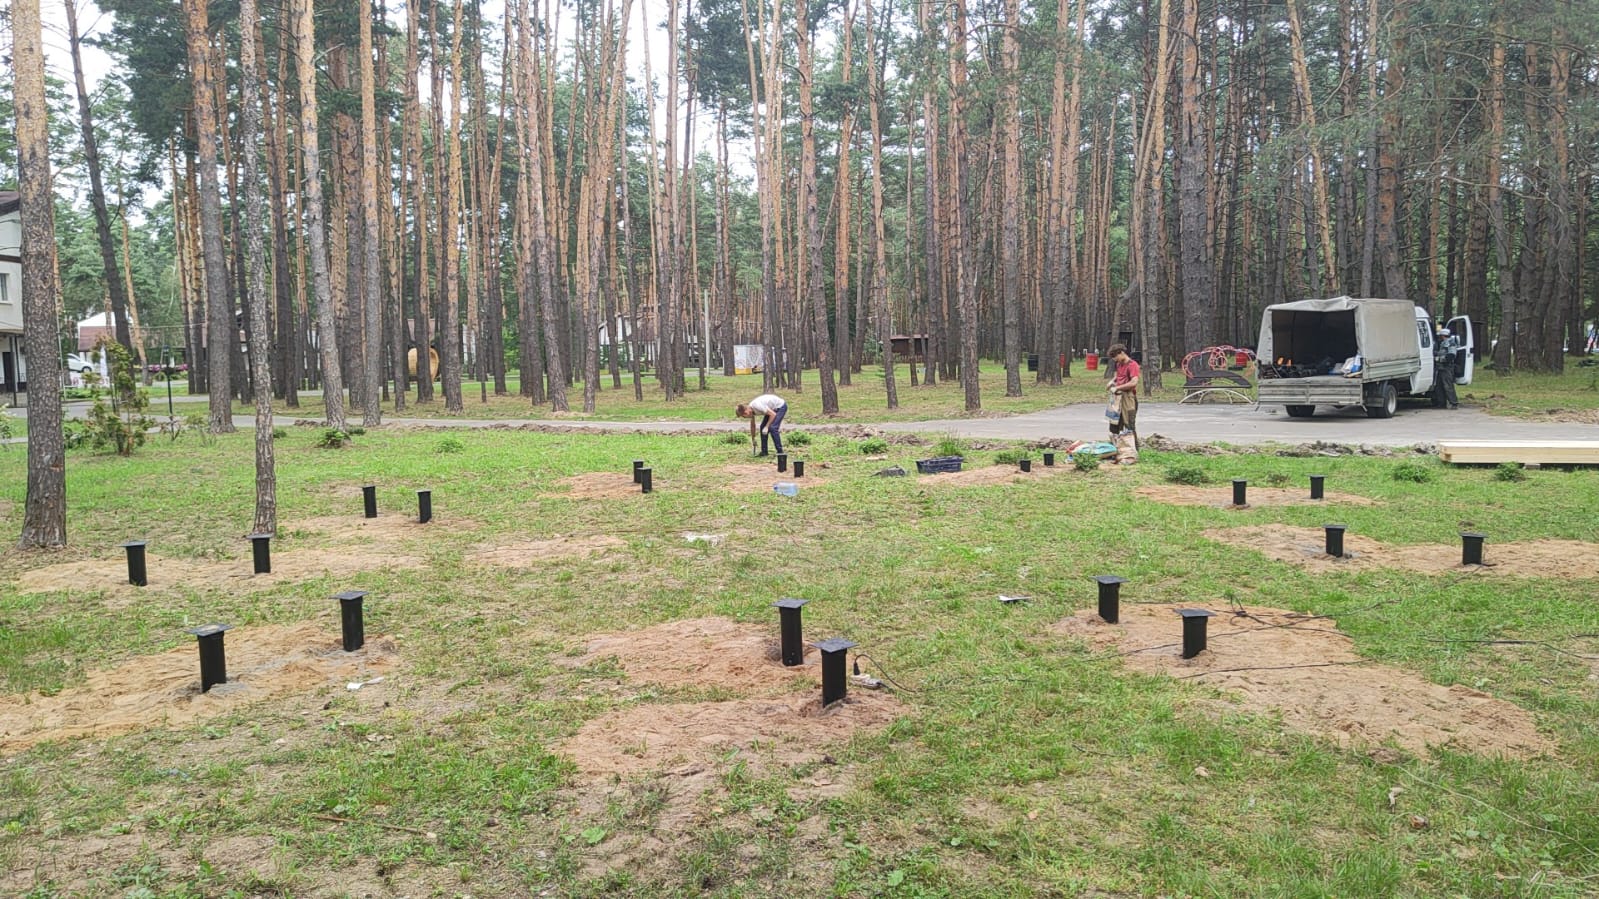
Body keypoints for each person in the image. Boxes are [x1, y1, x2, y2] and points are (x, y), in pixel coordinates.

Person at [1106, 344, 1140, 456]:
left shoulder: (1132, 365)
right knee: (1114, 424)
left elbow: (1134, 382)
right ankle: (1114, 450)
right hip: (1117, 398)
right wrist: (1112, 381)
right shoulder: (1119, 364)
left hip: (1128, 398)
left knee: (1129, 425)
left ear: (1121, 353)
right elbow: (1118, 376)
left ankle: (1134, 451)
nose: (1115, 359)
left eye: (1115, 356)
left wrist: (1118, 387)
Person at [1432, 325, 1460, 410]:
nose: (1439, 337)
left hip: (1447, 367)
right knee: (1439, 386)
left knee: (1448, 386)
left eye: (1440, 335)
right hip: (1440, 368)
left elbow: (1451, 356)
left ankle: (1454, 403)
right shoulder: (1442, 343)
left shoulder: (1451, 343)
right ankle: (1441, 403)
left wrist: (1439, 359)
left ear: (1443, 335)